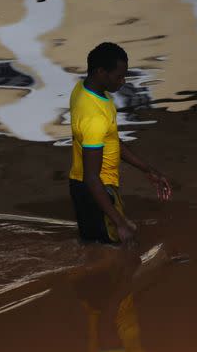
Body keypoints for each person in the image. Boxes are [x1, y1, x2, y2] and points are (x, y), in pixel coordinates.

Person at [69, 42, 172, 246]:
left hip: (85, 187)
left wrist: (147, 169)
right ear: (100, 72)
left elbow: (112, 141)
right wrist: (119, 222)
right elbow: (92, 177)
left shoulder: (83, 89)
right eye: (118, 76)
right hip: (97, 191)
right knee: (118, 252)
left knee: (95, 248)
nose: (123, 81)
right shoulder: (94, 116)